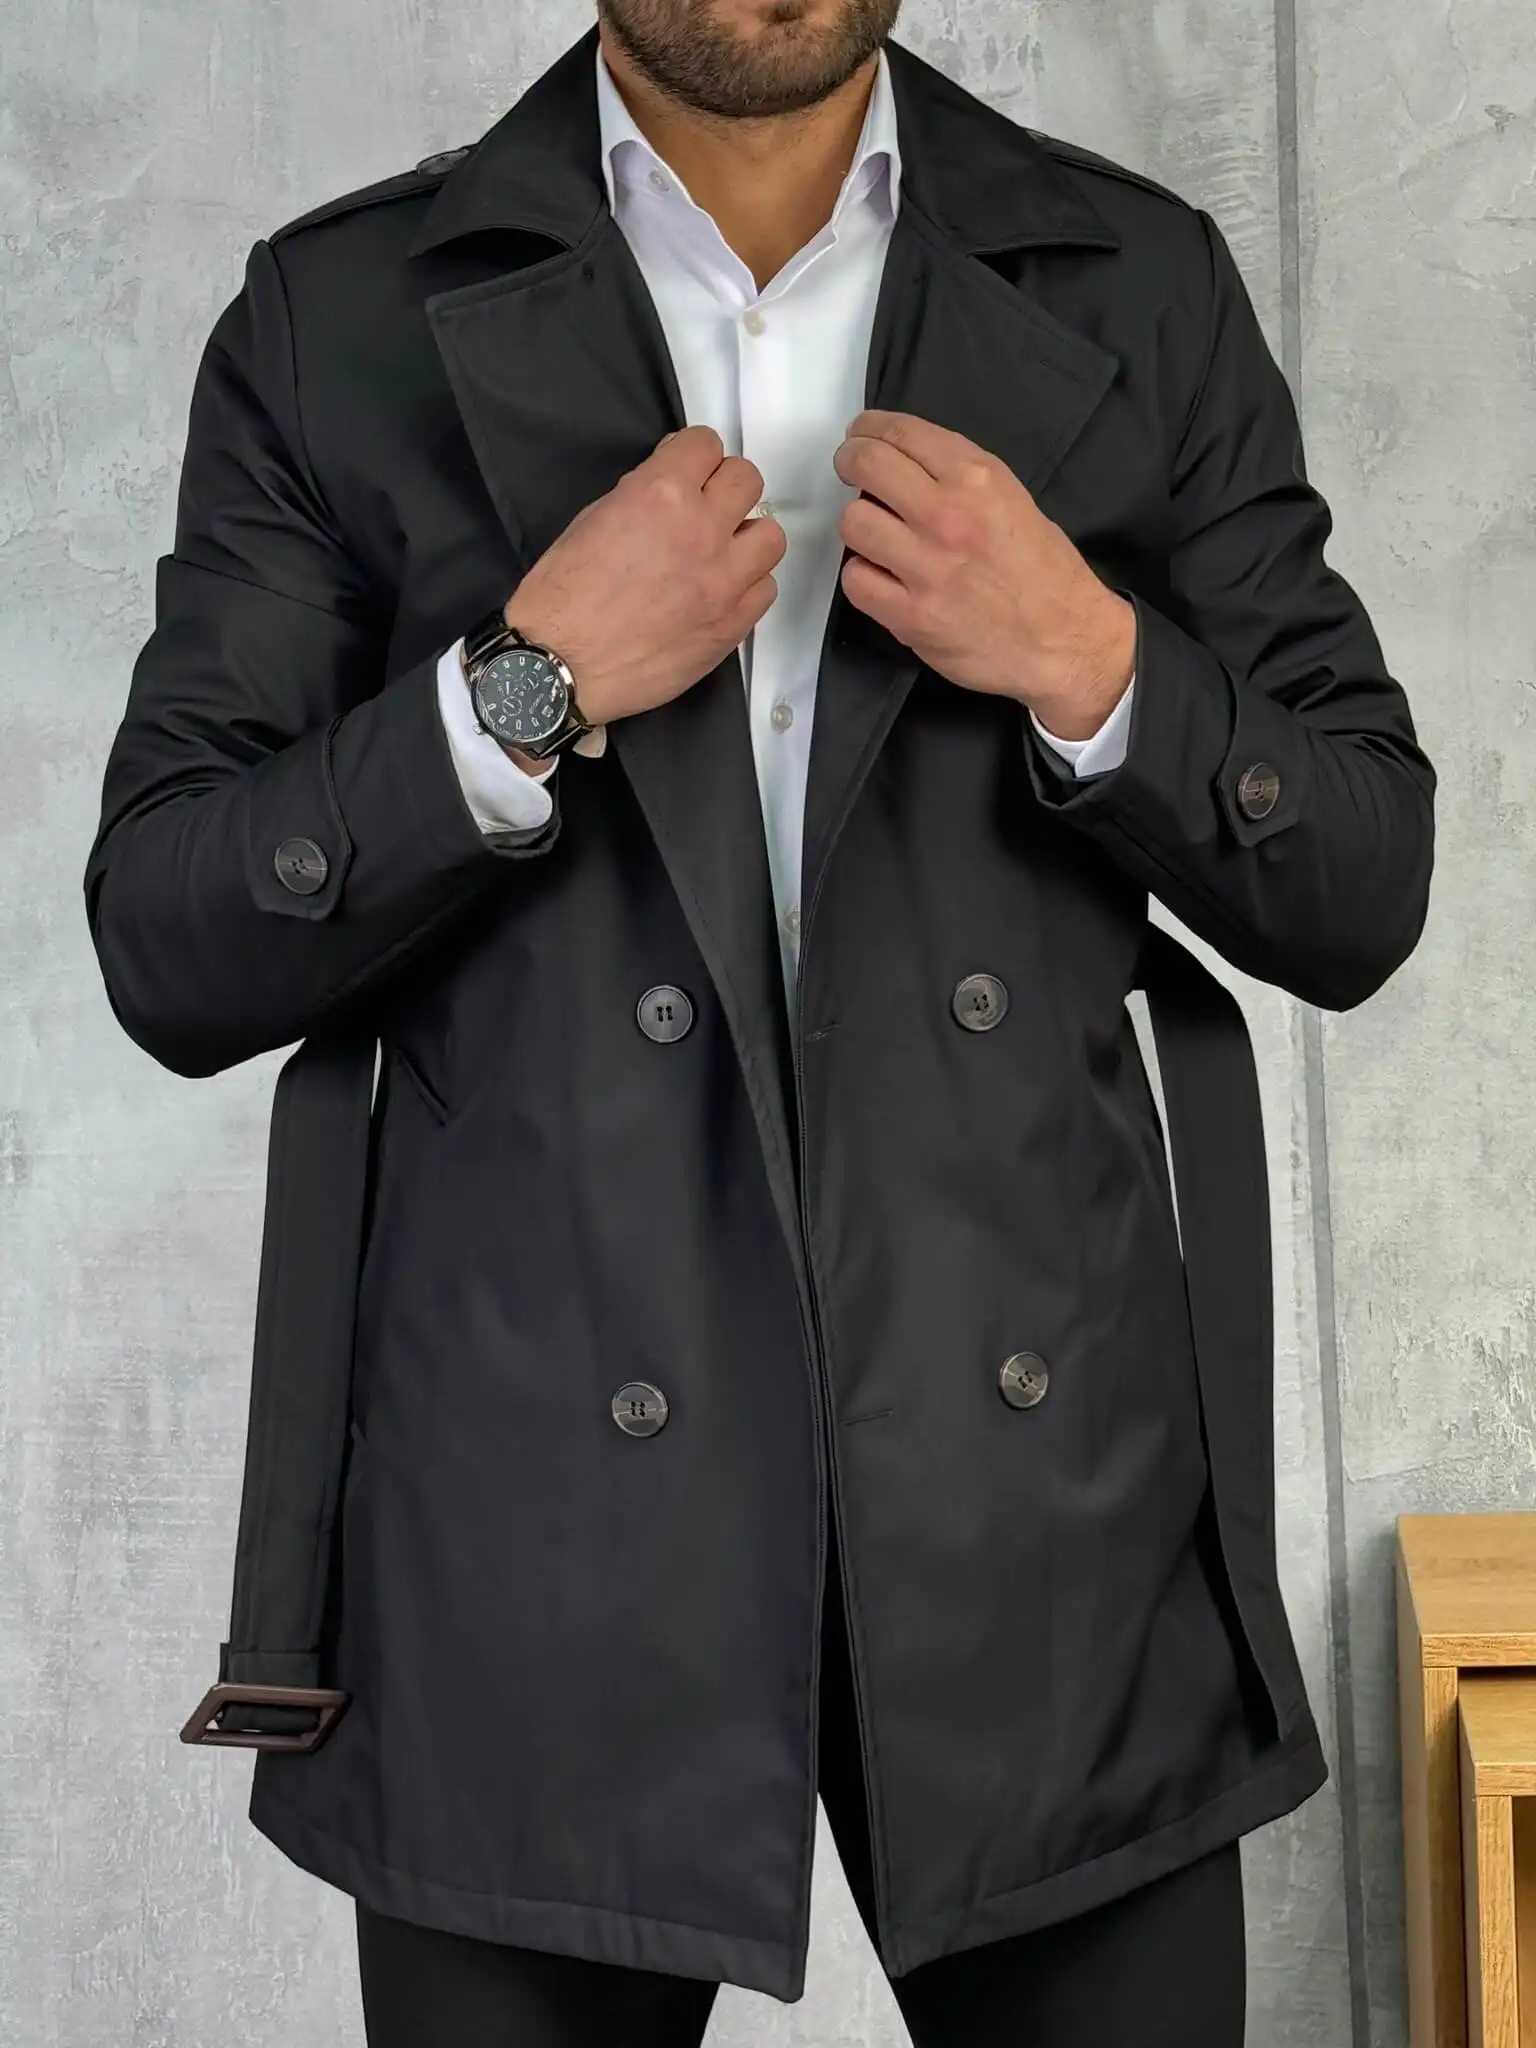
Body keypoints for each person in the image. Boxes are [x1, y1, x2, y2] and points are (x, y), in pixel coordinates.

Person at [83, 2, 1436, 2041]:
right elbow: (171, 937)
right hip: (537, 1528)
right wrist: (522, 687)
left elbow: (1360, 879)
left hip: (1041, 1522)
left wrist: (1091, 658)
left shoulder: (1134, 279)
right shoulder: (337, 314)